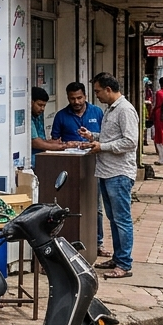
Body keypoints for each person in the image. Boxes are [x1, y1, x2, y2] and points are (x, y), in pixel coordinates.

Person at [80, 73, 139, 279]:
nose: (96, 95)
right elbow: (110, 137)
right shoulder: (111, 109)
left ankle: (124, 263)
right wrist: (92, 137)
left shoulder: (125, 110)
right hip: (106, 171)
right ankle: (118, 257)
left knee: (122, 219)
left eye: (98, 91)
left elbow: (130, 141)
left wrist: (102, 146)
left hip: (119, 173)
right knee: (113, 219)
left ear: (108, 89)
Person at [53, 81, 107, 255]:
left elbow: (105, 136)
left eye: (79, 98)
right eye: (72, 99)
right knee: (69, 204)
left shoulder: (97, 112)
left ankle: (97, 243)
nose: (76, 102)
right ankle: (68, 242)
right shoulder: (61, 116)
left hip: (94, 164)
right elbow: (55, 141)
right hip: (69, 166)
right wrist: (67, 145)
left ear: (85, 96)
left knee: (96, 206)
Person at [29, 87, 68, 167]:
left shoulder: (39, 114)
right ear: (31, 102)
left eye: (44, 105)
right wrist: (59, 147)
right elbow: (35, 142)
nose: (42, 109)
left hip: (41, 156)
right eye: (40, 105)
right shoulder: (27, 116)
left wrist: (52, 143)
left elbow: (41, 138)